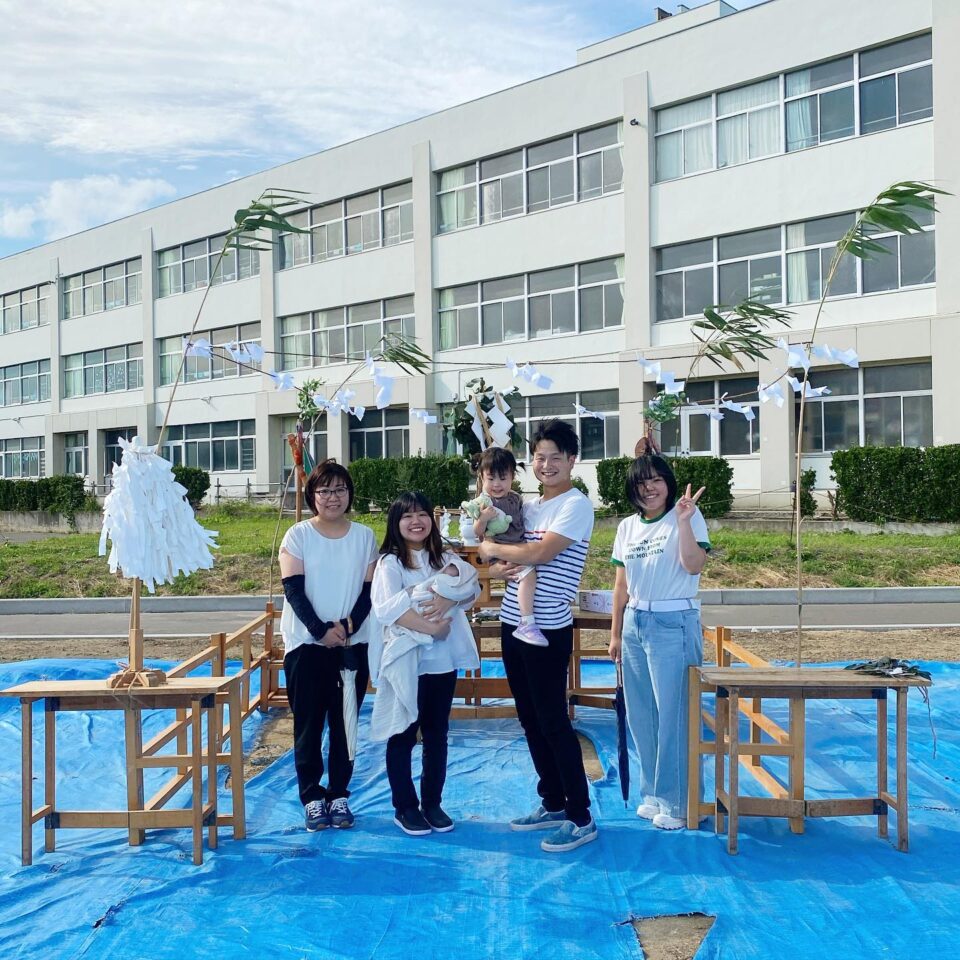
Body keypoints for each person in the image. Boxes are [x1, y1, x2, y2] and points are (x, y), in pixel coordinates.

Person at [477, 419, 596, 853]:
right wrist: (493, 563)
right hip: (512, 620)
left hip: (547, 628)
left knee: (553, 721)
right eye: (539, 457)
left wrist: (493, 551)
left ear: (572, 461)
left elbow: (540, 553)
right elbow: (502, 551)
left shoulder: (576, 505)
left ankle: (581, 817)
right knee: (529, 719)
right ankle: (553, 802)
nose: (545, 464)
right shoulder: (527, 506)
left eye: (555, 457)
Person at [608, 453, 710, 830]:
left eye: (656, 480)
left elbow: (693, 565)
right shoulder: (626, 528)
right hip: (636, 621)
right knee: (642, 714)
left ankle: (680, 801)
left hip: (674, 621)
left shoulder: (686, 515)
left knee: (675, 714)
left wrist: (683, 522)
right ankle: (654, 792)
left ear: (668, 482)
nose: (649, 488)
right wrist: (616, 632)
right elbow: (620, 584)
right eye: (641, 483)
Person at [370, 492, 481, 837]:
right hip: (407, 661)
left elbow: (472, 590)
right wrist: (433, 626)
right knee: (402, 734)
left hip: (440, 663)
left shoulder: (445, 556)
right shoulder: (389, 563)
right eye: (407, 516)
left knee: (437, 735)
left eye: (421, 514)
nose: (416, 522)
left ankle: (432, 803)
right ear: (396, 523)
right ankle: (405, 806)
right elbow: (387, 610)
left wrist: (447, 595)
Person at [278, 460, 378, 833]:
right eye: (324, 491)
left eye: (339, 490)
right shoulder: (298, 536)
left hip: (352, 643)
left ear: (349, 494)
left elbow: (369, 591)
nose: (332, 497)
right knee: (309, 724)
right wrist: (320, 631)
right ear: (312, 496)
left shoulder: (364, 536)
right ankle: (311, 797)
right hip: (307, 645)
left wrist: (349, 625)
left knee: (345, 723)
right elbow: (293, 590)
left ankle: (339, 793)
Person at [469, 446, 546, 647]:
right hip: (501, 548)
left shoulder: (515, 498)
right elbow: (477, 532)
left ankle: (525, 619)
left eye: (503, 478)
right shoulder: (482, 502)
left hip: (516, 546)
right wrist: (484, 518)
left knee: (524, 576)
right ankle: (527, 621)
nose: (497, 484)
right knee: (528, 576)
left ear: (512, 477)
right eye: (491, 478)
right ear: (482, 477)